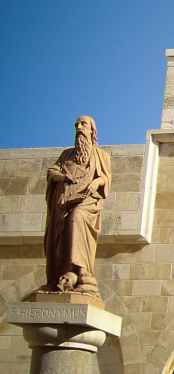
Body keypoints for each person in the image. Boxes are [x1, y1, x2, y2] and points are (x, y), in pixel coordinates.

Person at [42, 116, 111, 295]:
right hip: (63, 203)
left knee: (77, 217)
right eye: (77, 125)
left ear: (92, 130)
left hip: (86, 201)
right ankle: (62, 275)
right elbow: (52, 171)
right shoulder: (67, 155)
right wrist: (62, 177)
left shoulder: (101, 155)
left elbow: (106, 177)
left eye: (83, 124)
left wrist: (96, 182)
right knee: (62, 232)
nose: (79, 127)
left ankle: (82, 271)